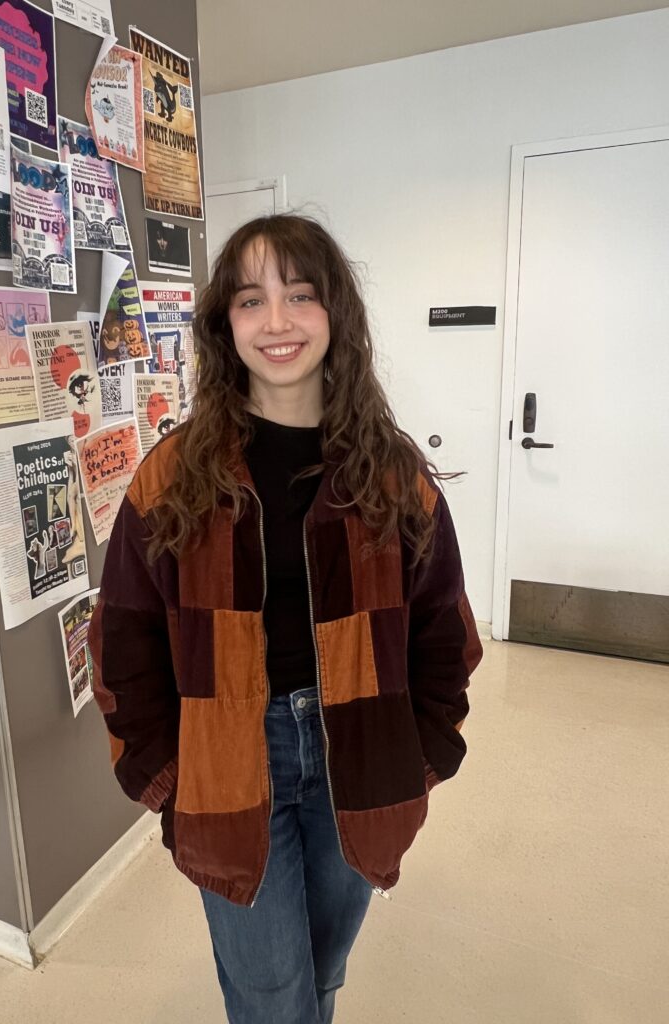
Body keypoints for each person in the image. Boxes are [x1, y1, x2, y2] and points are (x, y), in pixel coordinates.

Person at [89, 214, 483, 1024]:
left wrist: (424, 753)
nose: (276, 321)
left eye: (300, 295)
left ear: (335, 312)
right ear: (224, 325)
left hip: (361, 750)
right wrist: (169, 781)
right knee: (271, 998)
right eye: (250, 300)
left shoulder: (392, 475)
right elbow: (123, 638)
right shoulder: (173, 476)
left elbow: (443, 630)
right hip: (229, 758)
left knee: (323, 972)